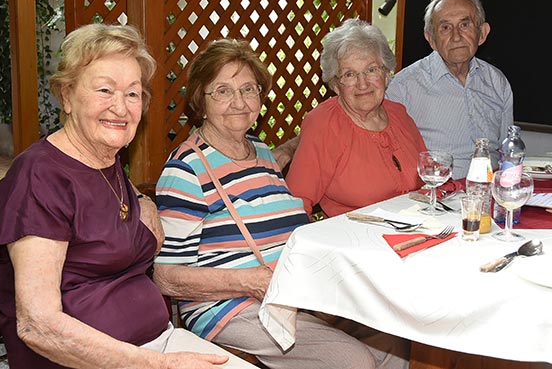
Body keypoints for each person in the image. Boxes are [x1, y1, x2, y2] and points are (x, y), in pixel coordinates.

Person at [0, 23, 258, 369]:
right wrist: (158, 365)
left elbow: (100, 207)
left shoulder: (105, 159)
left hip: (155, 346)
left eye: (132, 93)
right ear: (67, 96)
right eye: (105, 90)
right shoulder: (39, 178)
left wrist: (143, 201)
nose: (120, 107)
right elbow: (38, 325)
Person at [154, 38, 409, 369]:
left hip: (293, 293)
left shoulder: (259, 151)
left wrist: (300, 143)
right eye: (223, 91)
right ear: (200, 102)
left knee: (393, 341)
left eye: (248, 89)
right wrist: (249, 281)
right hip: (232, 306)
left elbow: (266, 188)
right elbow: (166, 276)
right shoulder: (186, 169)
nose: (238, 102)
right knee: (353, 361)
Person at [285, 18, 427, 218]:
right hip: (355, 234)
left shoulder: (399, 114)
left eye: (371, 70)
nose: (363, 84)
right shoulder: (324, 124)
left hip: (415, 228)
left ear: (386, 75)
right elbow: (297, 204)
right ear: (335, 85)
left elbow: (426, 179)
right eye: (350, 74)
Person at [385, 0, 514, 179]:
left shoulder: (498, 83)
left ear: (482, 33)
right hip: (435, 192)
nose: (456, 37)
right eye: (445, 28)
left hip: (492, 190)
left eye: (465, 25)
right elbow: (388, 158)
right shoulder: (403, 88)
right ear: (431, 39)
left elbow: (507, 151)